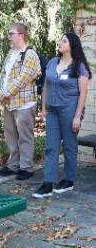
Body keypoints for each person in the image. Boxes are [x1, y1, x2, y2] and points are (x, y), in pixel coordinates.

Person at [33, 33, 92, 198]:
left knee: (69, 146)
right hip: (52, 111)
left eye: (64, 41)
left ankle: (69, 180)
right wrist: (43, 109)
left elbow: (83, 94)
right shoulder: (52, 62)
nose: (60, 42)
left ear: (72, 45)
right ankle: (48, 183)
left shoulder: (79, 66)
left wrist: (77, 116)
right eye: (60, 40)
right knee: (51, 147)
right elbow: (45, 87)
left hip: (70, 110)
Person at [0, 23, 41, 180]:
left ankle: (26, 167)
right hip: (9, 102)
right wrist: (1, 92)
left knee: (25, 136)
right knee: (10, 135)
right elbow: (4, 76)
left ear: (21, 35)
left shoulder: (30, 54)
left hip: (24, 102)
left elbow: (22, 79)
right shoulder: (11, 53)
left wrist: (4, 94)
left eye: (11, 34)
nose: (9, 36)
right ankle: (13, 165)